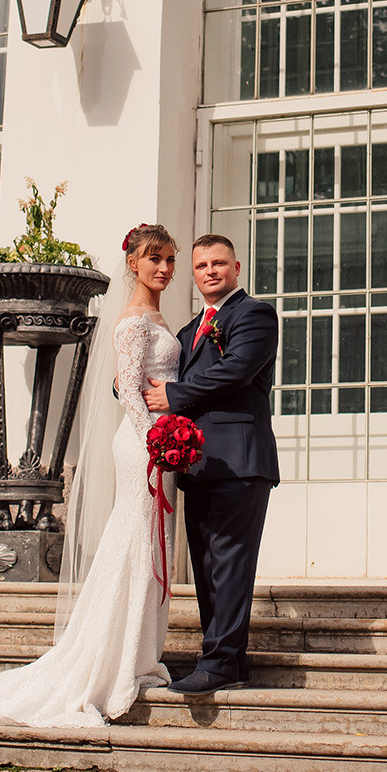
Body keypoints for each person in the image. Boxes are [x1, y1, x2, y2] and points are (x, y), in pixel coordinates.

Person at [0, 225, 182, 727]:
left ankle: (139, 653)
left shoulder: (157, 316)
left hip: (160, 440)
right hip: (144, 444)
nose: (165, 268)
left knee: (151, 545)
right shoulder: (132, 321)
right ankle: (115, 661)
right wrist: (156, 440)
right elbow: (130, 393)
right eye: (155, 258)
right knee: (136, 544)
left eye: (170, 259)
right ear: (133, 263)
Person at [144, 234, 279, 694]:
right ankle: (228, 664)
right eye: (201, 266)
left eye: (219, 263)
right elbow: (167, 376)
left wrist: (174, 395)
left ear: (236, 268)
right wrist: (130, 386)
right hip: (197, 464)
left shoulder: (255, 315)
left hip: (240, 459)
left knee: (230, 563)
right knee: (206, 566)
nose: (210, 271)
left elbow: (237, 369)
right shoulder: (189, 331)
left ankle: (219, 661)